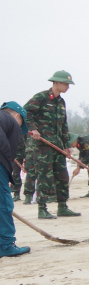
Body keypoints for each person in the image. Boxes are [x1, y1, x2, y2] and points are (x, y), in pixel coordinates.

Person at [24, 71, 80, 220]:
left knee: (62, 176)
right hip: (43, 145)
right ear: (56, 83)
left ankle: (62, 206)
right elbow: (26, 113)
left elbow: (63, 126)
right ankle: (42, 208)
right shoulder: (41, 98)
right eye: (65, 83)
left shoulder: (61, 102)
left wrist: (67, 145)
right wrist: (33, 128)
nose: (68, 86)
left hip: (58, 146)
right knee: (45, 176)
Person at [1, 101, 30, 257]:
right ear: (18, 115)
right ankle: (6, 245)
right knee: (4, 202)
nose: (20, 128)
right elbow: (9, 153)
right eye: (21, 124)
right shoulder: (11, 121)